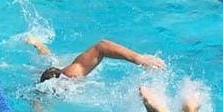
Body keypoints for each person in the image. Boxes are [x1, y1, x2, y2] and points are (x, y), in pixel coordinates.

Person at [29, 35, 165, 83]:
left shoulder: (70, 75)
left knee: (51, 61)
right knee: (46, 65)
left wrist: (138, 58)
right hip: (46, 79)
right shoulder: (42, 93)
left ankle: (39, 44)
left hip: (65, 71)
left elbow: (102, 46)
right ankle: (40, 46)